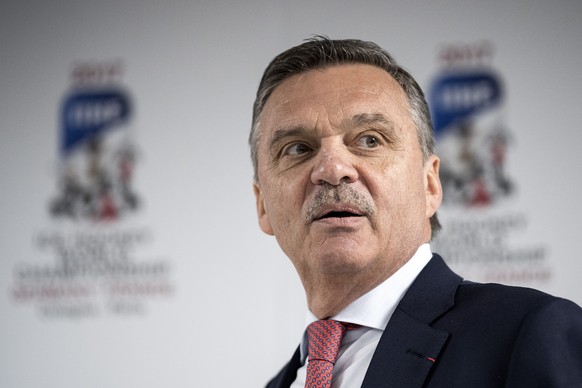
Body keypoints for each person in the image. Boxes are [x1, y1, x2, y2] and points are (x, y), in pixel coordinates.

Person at [249, 36, 582, 387]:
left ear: (430, 186)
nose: (332, 169)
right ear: (262, 206)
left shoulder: (528, 332)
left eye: (370, 140)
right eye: (298, 148)